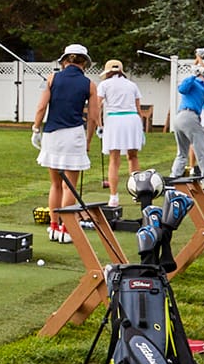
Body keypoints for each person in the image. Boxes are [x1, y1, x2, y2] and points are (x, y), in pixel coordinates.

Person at [32, 44, 102, 243]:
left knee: (55, 185)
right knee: (69, 186)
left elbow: (41, 107)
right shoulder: (90, 84)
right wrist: (88, 140)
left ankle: (54, 227)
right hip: (74, 136)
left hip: (52, 135)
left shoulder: (52, 78)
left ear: (64, 61)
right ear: (85, 63)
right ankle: (66, 229)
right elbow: (94, 117)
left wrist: (36, 128)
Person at [96, 59, 144, 203]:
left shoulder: (104, 84)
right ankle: (137, 193)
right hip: (132, 120)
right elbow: (139, 109)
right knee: (133, 157)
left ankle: (113, 197)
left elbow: (97, 106)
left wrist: (99, 125)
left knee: (114, 159)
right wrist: (141, 129)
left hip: (115, 121)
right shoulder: (132, 84)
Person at [171, 55, 204, 186]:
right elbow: (182, 89)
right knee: (200, 149)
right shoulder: (192, 82)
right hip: (186, 116)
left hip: (186, 117)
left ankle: (174, 175)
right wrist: (193, 74)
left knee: (184, 151)